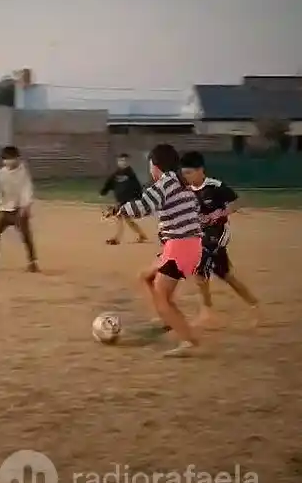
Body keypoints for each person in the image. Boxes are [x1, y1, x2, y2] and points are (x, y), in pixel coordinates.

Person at [107, 143, 202, 358]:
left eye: (150, 165)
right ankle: (164, 318)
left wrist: (119, 209)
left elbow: (143, 206)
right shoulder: (180, 182)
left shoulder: (165, 183)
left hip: (181, 246)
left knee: (163, 297)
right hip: (183, 244)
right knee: (145, 277)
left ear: (155, 166)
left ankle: (188, 340)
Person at [179, 151, 259, 326]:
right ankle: (255, 305)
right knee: (226, 275)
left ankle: (207, 313)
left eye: (189, 173)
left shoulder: (215, 186)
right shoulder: (186, 192)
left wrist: (220, 213)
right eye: (184, 173)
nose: (186, 177)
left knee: (199, 272)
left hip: (218, 233)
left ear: (201, 170)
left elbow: (237, 202)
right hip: (201, 235)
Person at [0, 145, 39, 273]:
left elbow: (26, 190)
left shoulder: (23, 172)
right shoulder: (2, 172)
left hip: (19, 210)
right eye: (5, 158)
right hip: (6, 210)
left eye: (10, 158)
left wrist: (25, 206)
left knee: (26, 236)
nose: (7, 161)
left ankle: (33, 263)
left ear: (17, 158)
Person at [99, 153, 148, 245]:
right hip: (120, 201)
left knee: (120, 217)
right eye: (121, 160)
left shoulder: (131, 174)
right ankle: (142, 235)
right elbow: (108, 184)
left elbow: (137, 188)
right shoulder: (115, 175)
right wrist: (103, 192)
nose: (123, 162)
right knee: (127, 220)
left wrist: (138, 198)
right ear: (118, 162)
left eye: (125, 161)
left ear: (128, 162)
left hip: (129, 201)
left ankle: (116, 239)